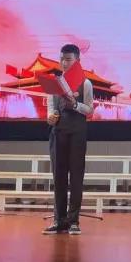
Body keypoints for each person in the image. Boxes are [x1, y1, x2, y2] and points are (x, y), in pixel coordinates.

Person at [43, 44, 93, 235]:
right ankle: (59, 220)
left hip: (77, 132)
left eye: (68, 59)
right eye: (62, 59)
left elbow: (90, 110)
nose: (64, 63)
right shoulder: (54, 84)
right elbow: (50, 109)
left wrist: (76, 105)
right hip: (58, 132)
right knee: (59, 177)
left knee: (76, 177)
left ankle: (73, 221)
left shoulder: (86, 83)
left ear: (77, 61)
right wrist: (50, 117)